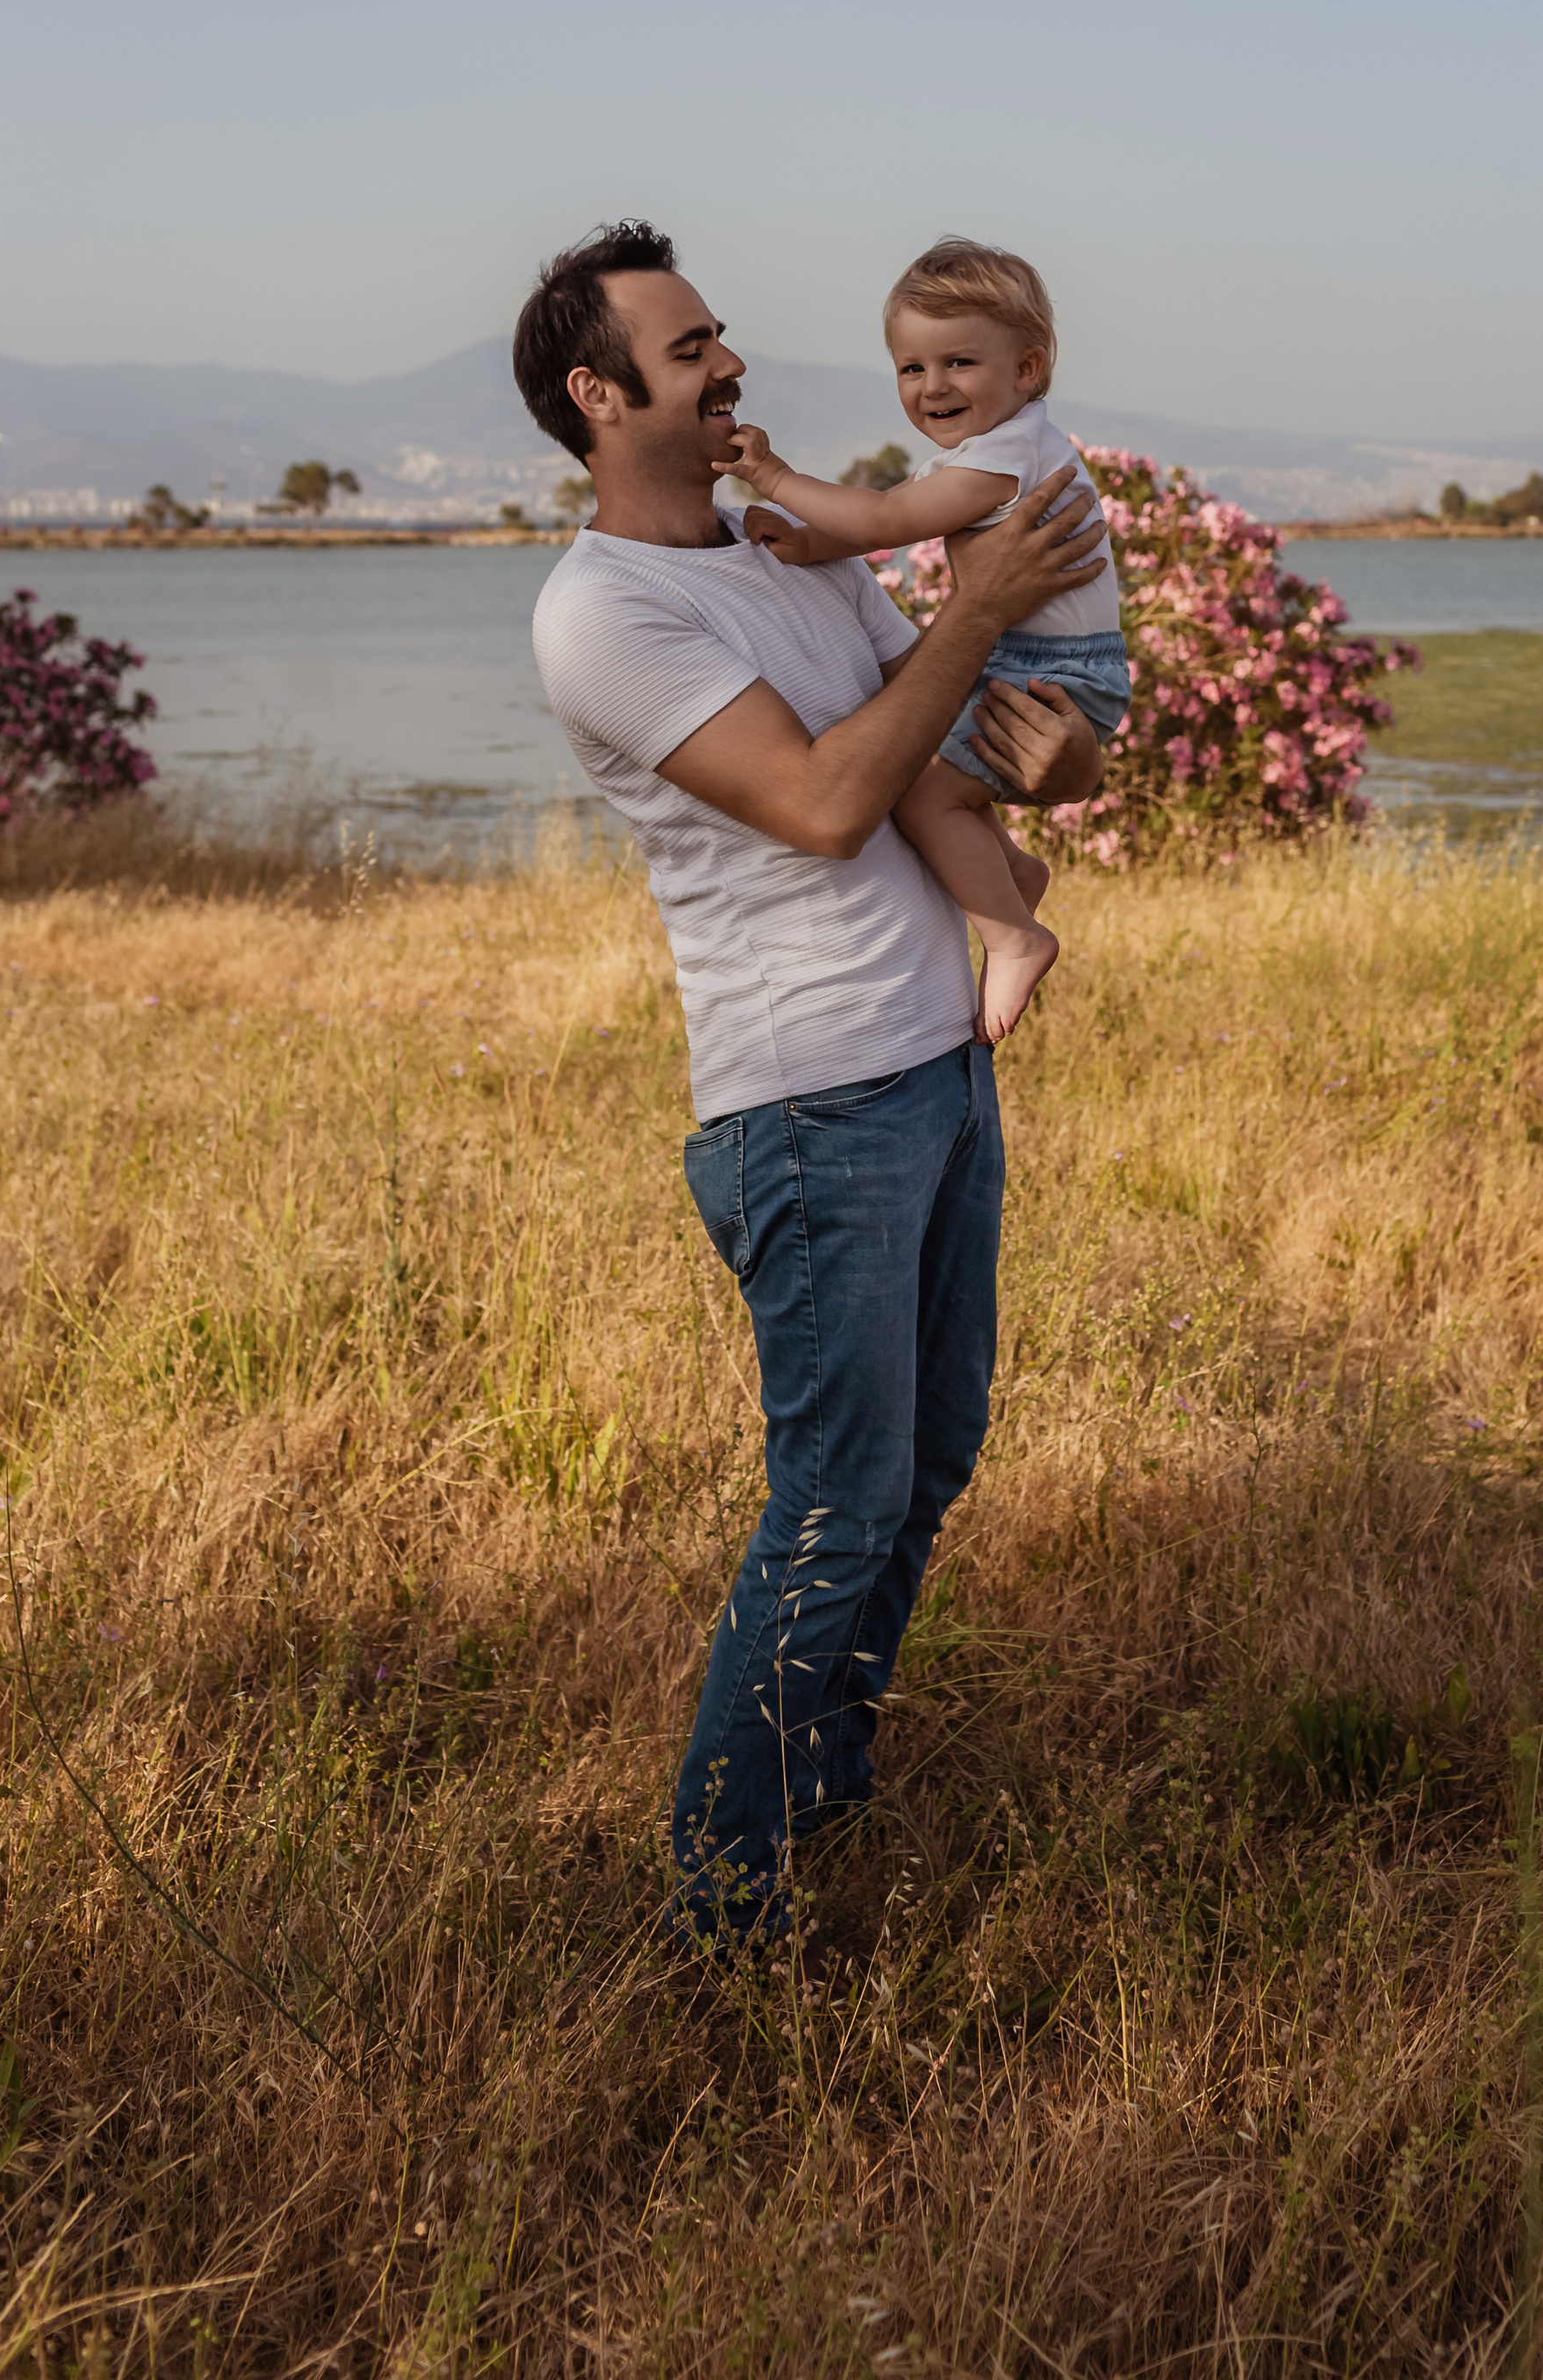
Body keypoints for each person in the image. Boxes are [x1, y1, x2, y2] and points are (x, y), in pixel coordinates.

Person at [513, 221, 1108, 1948]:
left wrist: (1047, 774)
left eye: (718, 337)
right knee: (836, 1502)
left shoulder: (792, 556)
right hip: (807, 1111)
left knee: (927, 1471)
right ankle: (723, 1900)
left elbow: (933, 755)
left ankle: (821, 1791)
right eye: (690, 346)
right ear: (593, 391)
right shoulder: (605, 610)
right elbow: (828, 799)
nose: (729, 366)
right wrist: (980, 599)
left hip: (936, 1067)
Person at [725, 237, 1130, 1042]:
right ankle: (1009, 871)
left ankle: (1015, 934)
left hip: (1049, 673)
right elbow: (890, 522)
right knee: (932, 768)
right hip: (1038, 661)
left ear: (1028, 369)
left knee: (915, 786)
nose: (933, 386)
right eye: (912, 368)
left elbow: (887, 520)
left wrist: (771, 477)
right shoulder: (1000, 449)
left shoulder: (1005, 459)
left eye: (959, 363)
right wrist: (810, 544)